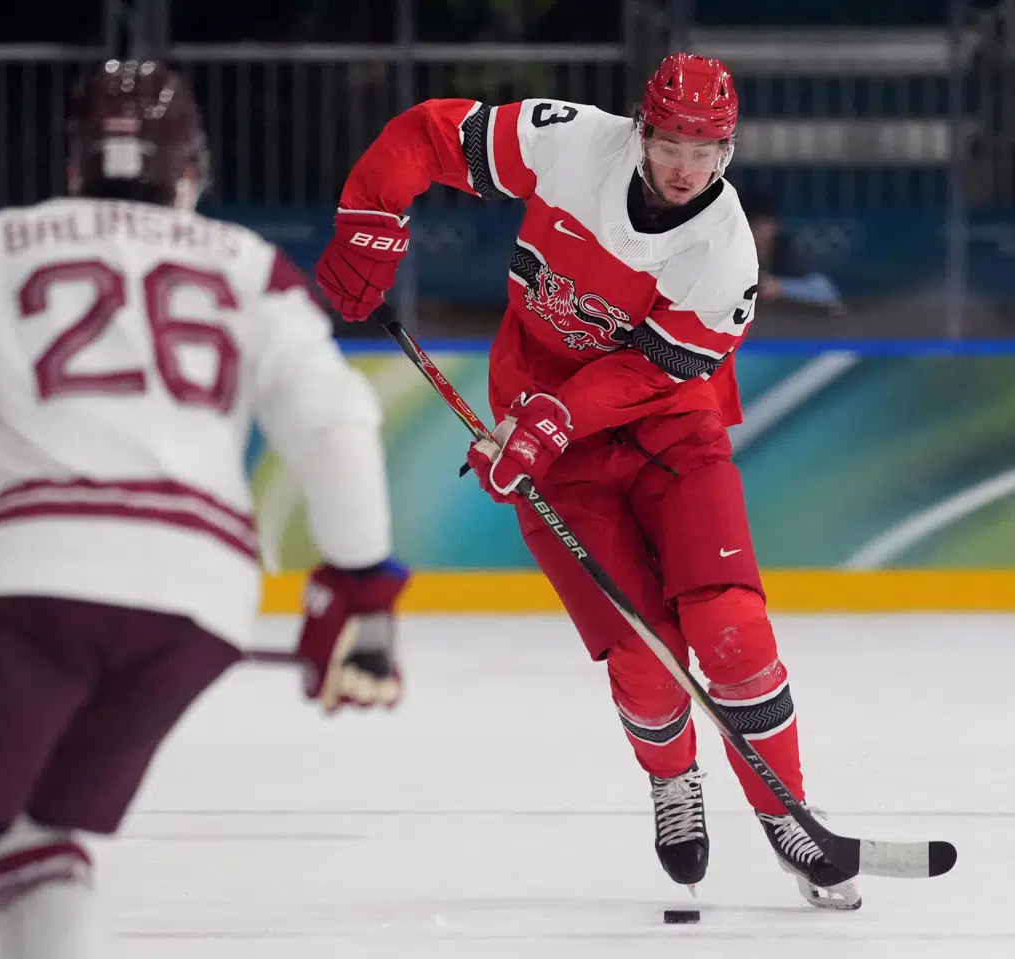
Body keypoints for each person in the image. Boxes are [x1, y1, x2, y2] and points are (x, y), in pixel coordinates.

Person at [0, 59, 409, 959]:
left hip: (27, 573)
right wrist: (359, 588)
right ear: (191, 172)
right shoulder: (252, 265)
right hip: (199, 602)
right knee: (38, 835)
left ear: (74, 167)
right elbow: (336, 429)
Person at [315, 52, 859, 910]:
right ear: (640, 131)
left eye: (706, 150)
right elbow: (427, 135)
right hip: (546, 428)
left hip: (667, 423)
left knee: (731, 631)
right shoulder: (568, 144)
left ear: (730, 152)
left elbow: (651, 373)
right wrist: (367, 218)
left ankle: (785, 807)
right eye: (671, 143)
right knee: (643, 657)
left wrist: (550, 423)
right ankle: (672, 779)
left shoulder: (725, 255)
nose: (686, 167)